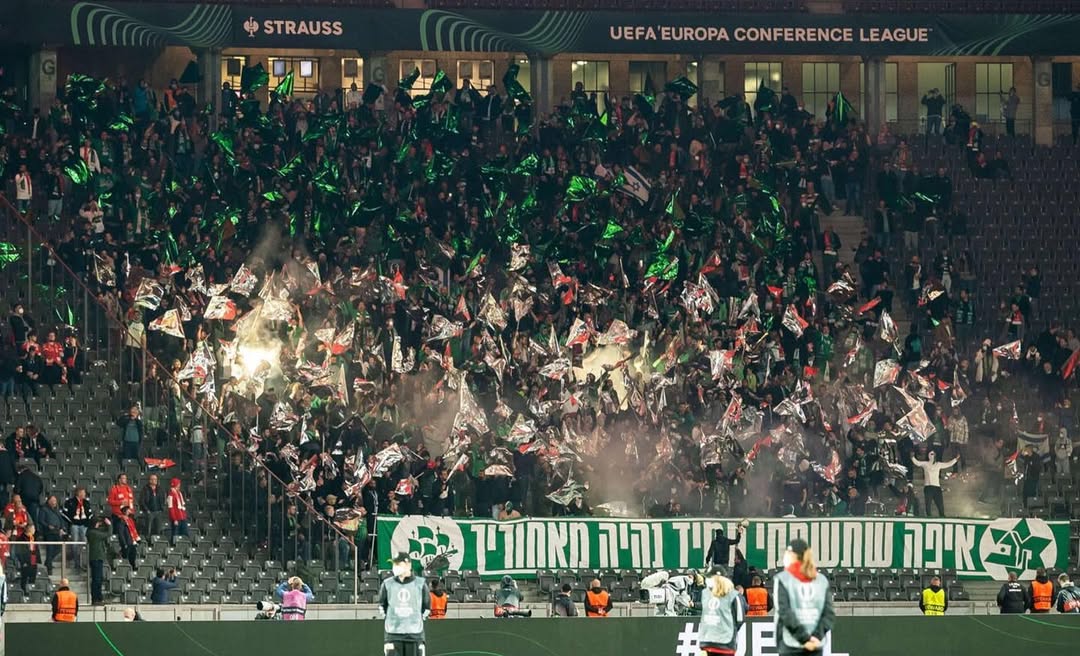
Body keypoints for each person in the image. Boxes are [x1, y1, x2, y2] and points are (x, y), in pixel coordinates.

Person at [774, 538, 834, 655]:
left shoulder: (783, 579)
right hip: (816, 645)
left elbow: (784, 612)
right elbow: (828, 614)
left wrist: (804, 639)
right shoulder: (821, 580)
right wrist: (816, 637)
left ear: (792, 555)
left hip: (791, 644)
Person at [379, 552, 430, 656]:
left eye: (398, 564)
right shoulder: (387, 584)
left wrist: (416, 620)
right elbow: (382, 606)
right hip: (393, 635)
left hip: (415, 635)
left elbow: (426, 607)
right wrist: (391, 620)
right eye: (394, 564)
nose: (395, 567)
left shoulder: (420, 584)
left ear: (408, 565)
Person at [697, 568, 744, 656]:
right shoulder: (706, 593)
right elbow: (739, 619)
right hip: (721, 643)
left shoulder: (733, 595)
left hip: (712, 642)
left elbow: (739, 619)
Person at [912, 450, 959, 517]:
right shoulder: (926, 464)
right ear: (929, 456)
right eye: (931, 454)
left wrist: (955, 459)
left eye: (933, 454)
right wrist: (912, 457)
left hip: (937, 487)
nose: (932, 456)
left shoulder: (938, 464)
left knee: (940, 505)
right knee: (928, 504)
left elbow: (948, 464)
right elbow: (917, 463)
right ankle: (929, 517)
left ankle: (942, 516)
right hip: (928, 487)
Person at [62, 487, 94, 570]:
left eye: (84, 493)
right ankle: (76, 563)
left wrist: (87, 523)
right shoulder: (70, 502)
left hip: (84, 526)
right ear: (78, 493)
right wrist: (71, 522)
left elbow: (90, 514)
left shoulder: (86, 503)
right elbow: (64, 514)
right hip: (74, 525)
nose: (84, 494)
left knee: (85, 544)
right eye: (83, 493)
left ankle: (84, 563)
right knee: (75, 543)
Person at [36, 494, 68, 575]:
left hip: (57, 532)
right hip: (49, 533)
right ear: (48, 501)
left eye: (55, 501)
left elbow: (61, 520)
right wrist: (48, 526)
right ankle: (49, 568)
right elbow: (40, 520)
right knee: (50, 550)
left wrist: (62, 528)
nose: (54, 502)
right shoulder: (44, 509)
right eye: (52, 500)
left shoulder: (57, 510)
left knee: (59, 548)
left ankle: (48, 561)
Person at [87, 517, 111, 605]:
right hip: (96, 558)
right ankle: (96, 598)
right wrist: (109, 525)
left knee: (98, 579)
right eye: (98, 523)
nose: (99, 524)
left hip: (96, 558)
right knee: (97, 580)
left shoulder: (92, 532)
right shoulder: (93, 533)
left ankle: (97, 598)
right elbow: (108, 534)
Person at [166, 477, 189, 545]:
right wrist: (174, 519)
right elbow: (171, 508)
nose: (179, 486)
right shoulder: (171, 495)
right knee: (175, 533)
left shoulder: (179, 493)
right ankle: (174, 545)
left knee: (184, 532)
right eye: (178, 484)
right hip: (176, 518)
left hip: (182, 517)